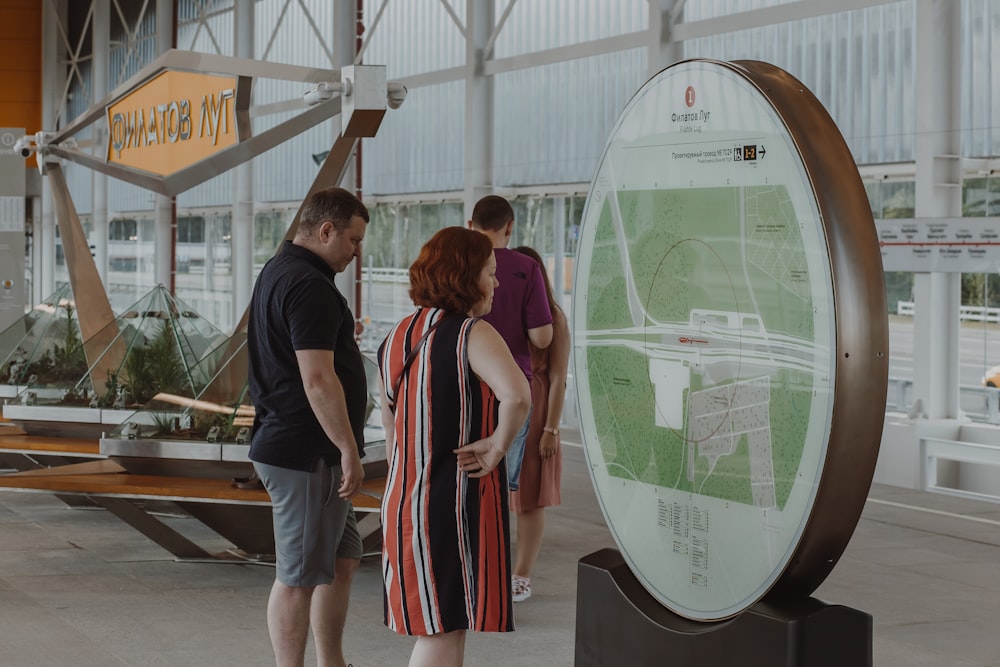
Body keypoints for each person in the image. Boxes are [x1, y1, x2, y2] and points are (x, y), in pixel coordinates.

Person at [377, 226, 530, 667]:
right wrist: (498, 446)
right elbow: (517, 395)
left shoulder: (396, 337)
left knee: (440, 624)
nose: (496, 283)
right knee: (441, 630)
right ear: (466, 277)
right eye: (490, 272)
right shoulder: (471, 334)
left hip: (405, 500)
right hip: (447, 504)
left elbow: (392, 430)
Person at [247, 186, 369, 667]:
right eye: (354, 240)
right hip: (308, 455)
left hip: (304, 449)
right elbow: (318, 380)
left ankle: (331, 660)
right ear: (325, 230)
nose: (357, 252)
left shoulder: (281, 269)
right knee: (296, 578)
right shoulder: (310, 285)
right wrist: (348, 450)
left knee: (344, 557)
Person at [467, 196, 553, 495]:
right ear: (510, 226)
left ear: (470, 226)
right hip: (513, 389)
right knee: (498, 488)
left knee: (465, 479)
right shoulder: (527, 268)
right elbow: (543, 338)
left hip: (467, 387)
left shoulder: (461, 264)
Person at [508, 246, 570, 603]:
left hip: (538, 410)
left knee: (530, 500)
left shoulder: (554, 319)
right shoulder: (505, 315)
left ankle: (522, 575)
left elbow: (560, 378)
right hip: (509, 406)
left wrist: (551, 429)